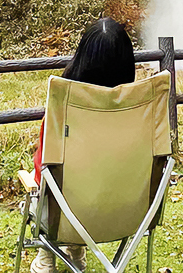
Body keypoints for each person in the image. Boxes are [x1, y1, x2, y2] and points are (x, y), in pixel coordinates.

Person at [29, 17, 136, 273]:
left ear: (82, 56)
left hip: (63, 216)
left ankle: (46, 260)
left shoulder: (63, 106)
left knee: (46, 188)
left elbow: (44, 165)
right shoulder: (139, 110)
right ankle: (76, 252)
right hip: (128, 213)